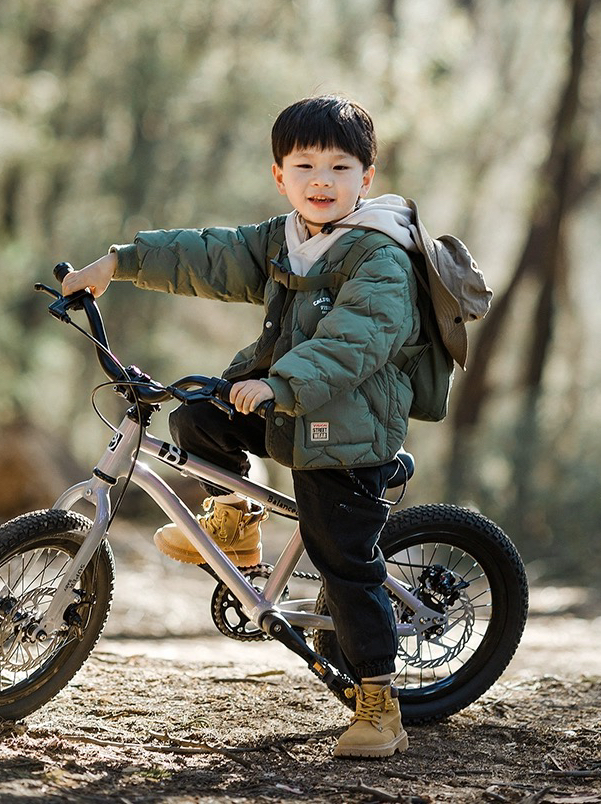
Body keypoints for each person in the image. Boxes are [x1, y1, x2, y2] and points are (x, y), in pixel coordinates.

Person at [62, 95, 424, 759]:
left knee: (343, 562)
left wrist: (279, 383)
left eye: (340, 168)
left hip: (345, 431)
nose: (322, 180)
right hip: (288, 407)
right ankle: (235, 525)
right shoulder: (286, 240)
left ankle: (380, 704)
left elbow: (356, 341)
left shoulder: (380, 257)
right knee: (200, 414)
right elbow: (211, 255)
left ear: (366, 180)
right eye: (305, 165)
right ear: (278, 175)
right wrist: (118, 263)